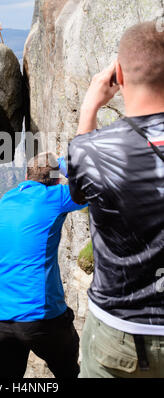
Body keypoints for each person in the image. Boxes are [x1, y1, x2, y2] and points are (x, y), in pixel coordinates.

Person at [68, 21, 164, 378]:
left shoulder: (90, 151)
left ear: (118, 75)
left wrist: (89, 110)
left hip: (119, 335)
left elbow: (79, 195)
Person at [0, 152, 87, 379]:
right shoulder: (55, 196)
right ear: (57, 181)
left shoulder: (6, 199)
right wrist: (63, 164)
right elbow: (90, 186)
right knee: (68, 370)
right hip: (40, 316)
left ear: (25, 175)